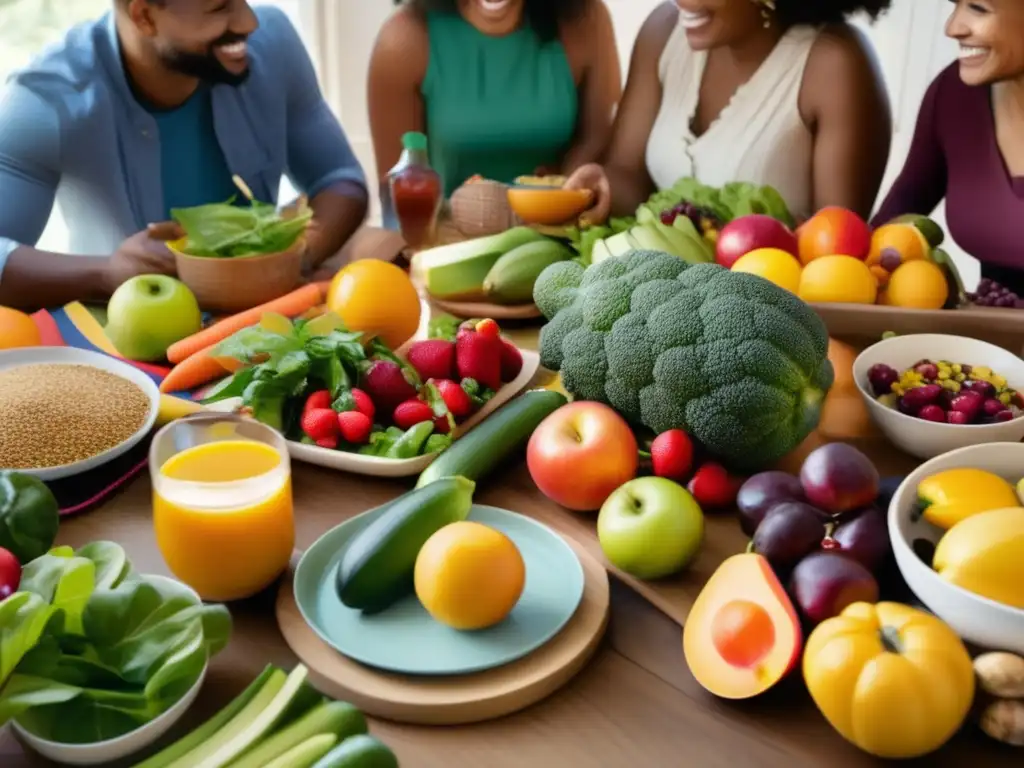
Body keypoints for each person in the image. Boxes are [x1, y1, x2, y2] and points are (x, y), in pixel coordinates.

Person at [0, 0, 368, 310]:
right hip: (118, 342)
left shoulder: (274, 41)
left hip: (267, 316)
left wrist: (297, 257)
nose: (248, 21)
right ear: (144, 16)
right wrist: (107, 273)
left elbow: (340, 178)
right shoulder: (45, 100)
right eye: (219, 8)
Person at [566, 0, 893, 225]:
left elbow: (837, 250)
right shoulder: (662, 32)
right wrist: (603, 186)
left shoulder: (835, 64)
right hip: (667, 299)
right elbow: (629, 174)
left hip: (771, 311)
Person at [367, 0, 622, 203]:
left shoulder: (585, 19)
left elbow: (598, 137)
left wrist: (564, 191)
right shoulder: (404, 39)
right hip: (446, 242)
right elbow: (396, 192)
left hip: (560, 231)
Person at [873, 0, 1024, 293]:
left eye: (978, 8)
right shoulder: (954, 95)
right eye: (955, 5)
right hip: (985, 335)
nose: (952, 28)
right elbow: (887, 233)